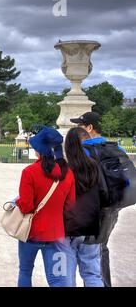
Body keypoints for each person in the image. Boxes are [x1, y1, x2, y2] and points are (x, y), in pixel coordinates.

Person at [70, 111, 126, 287]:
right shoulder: (116, 148)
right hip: (112, 207)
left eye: (80, 125)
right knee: (102, 248)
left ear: (89, 128)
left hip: (92, 210)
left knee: (89, 257)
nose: (78, 129)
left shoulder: (84, 151)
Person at [15, 126, 76, 287]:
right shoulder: (68, 173)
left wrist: (17, 202)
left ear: (39, 150)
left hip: (31, 233)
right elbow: (70, 205)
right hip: (56, 234)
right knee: (57, 279)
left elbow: (26, 206)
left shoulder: (29, 171)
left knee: (25, 271)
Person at [63, 127, 106, 287]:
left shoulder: (64, 169)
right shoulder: (95, 166)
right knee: (92, 274)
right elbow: (103, 193)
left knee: (66, 277)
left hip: (68, 226)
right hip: (91, 225)